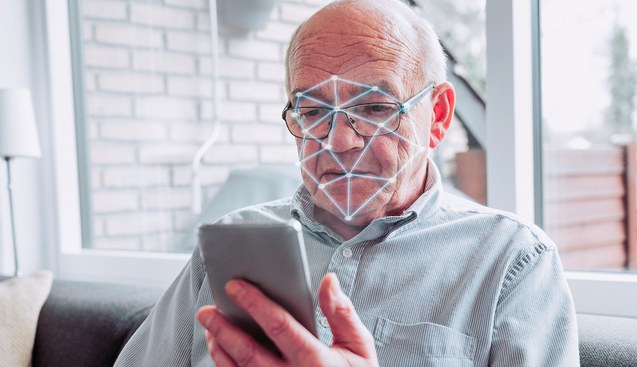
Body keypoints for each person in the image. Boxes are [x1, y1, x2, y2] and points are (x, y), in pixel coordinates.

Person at [114, 0, 579, 366]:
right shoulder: (234, 243)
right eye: (313, 112)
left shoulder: (512, 261)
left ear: (436, 117)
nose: (337, 141)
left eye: (375, 107)